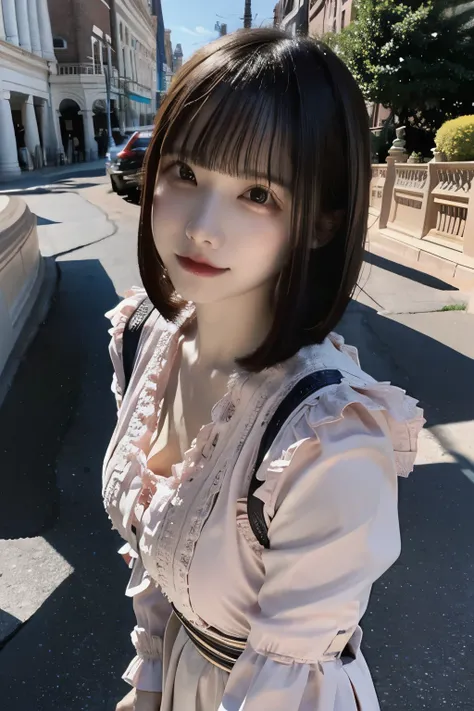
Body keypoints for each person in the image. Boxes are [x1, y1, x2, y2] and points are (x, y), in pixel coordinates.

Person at [103, 28, 425, 711]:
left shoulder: (328, 438)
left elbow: (280, 686)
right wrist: (151, 679)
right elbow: (160, 557)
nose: (202, 226)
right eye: (185, 172)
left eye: (258, 194)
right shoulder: (145, 337)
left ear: (320, 223)